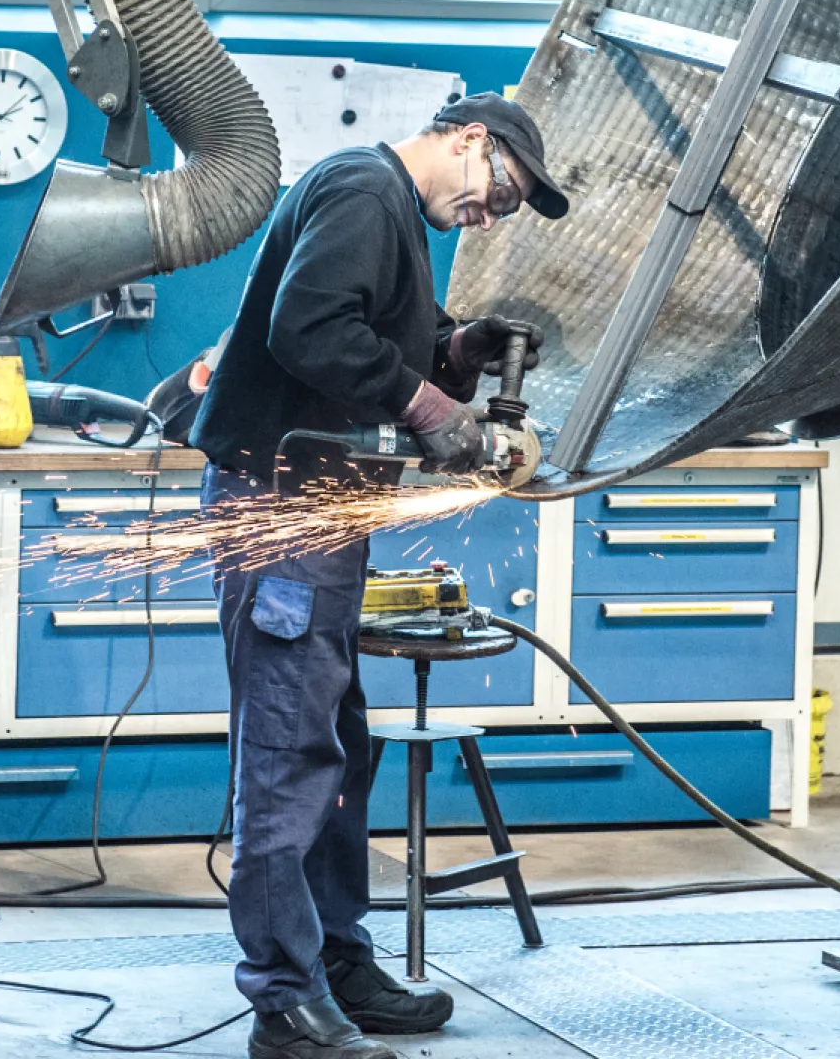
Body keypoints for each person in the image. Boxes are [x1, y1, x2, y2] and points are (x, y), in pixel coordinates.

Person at [188, 93, 566, 1059]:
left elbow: (381, 343)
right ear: (472, 140)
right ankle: (284, 1002)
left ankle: (338, 963)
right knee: (289, 753)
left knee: (337, 747)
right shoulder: (364, 188)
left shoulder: (395, 211)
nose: (490, 217)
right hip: (283, 509)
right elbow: (311, 329)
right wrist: (434, 408)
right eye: (499, 194)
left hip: (326, 513)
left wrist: (458, 350)